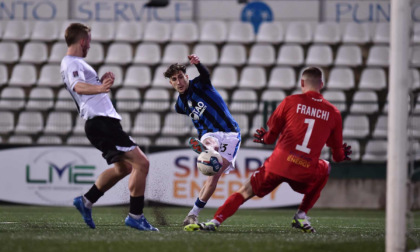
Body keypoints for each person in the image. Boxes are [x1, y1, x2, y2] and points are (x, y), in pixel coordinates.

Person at [184, 67, 352, 233]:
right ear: (321, 84)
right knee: (326, 167)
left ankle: (215, 221)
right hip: (305, 170)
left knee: (244, 192)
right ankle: (301, 214)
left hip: (278, 165)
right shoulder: (334, 113)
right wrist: (342, 154)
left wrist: (264, 138)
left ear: (301, 83)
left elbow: (270, 138)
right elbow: (337, 156)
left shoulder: (290, 102)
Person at [60, 23, 158, 231]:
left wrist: (101, 84)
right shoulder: (72, 62)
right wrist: (100, 87)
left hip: (99, 122)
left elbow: (84, 87)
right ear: (83, 41)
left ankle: (86, 200)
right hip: (102, 123)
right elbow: (78, 86)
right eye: (89, 42)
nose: (89, 46)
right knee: (142, 163)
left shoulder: (75, 63)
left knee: (125, 167)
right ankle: (135, 216)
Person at [163, 55, 241, 226]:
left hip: (230, 133)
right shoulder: (180, 105)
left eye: (181, 77)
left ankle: (193, 214)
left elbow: (205, 74)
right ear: (171, 83)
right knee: (210, 144)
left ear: (187, 77)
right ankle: (209, 149)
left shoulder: (201, 84)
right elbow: (186, 109)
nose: (179, 82)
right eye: (174, 79)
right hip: (208, 133)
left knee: (214, 177)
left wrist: (198, 64)